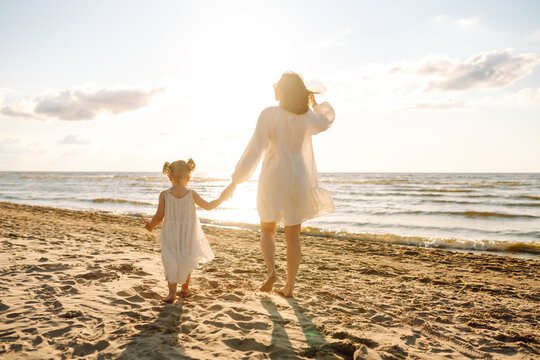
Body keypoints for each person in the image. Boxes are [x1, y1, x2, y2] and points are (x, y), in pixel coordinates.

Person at [226, 72, 335, 297]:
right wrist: (312, 102)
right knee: (293, 236)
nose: (273, 89)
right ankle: (289, 286)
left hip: (273, 179)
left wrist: (237, 179)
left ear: (282, 90)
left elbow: (254, 150)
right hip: (299, 181)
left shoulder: (269, 114)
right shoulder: (306, 117)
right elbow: (326, 119)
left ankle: (271, 272)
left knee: (267, 229)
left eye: (276, 86)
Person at [144, 158, 234, 302]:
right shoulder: (191, 194)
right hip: (188, 233)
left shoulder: (164, 194)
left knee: (171, 259)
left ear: (169, 177)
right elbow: (209, 206)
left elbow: (159, 216)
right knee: (186, 257)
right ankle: (185, 288)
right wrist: (222, 198)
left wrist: (150, 225)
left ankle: (172, 293)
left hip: (170, 233)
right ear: (188, 177)